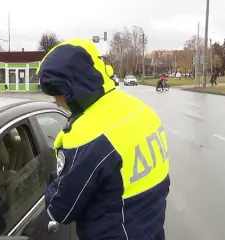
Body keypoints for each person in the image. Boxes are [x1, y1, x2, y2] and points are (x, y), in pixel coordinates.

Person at [37, 39, 170, 240]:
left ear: (73, 89)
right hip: (152, 227)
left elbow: (59, 210)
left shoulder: (87, 136)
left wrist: (53, 181)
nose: (56, 102)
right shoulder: (139, 109)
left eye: (57, 94)